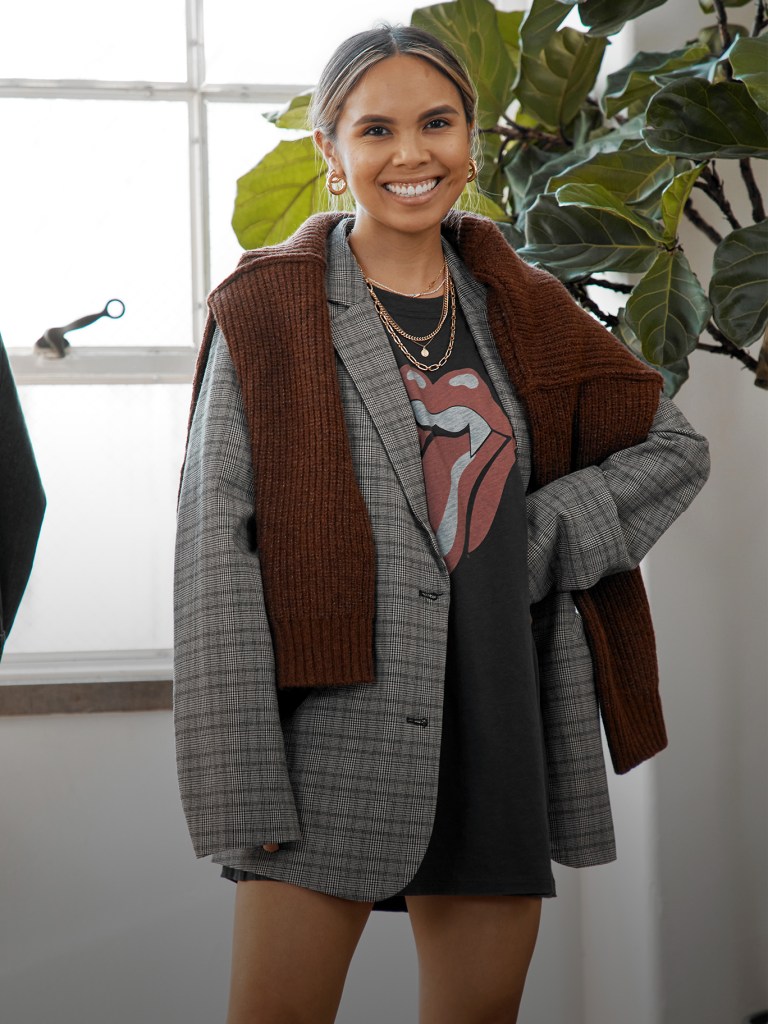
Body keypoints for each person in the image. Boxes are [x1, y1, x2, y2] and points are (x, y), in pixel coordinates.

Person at [173, 24, 710, 1024]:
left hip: (498, 715)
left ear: (472, 139)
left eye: (438, 123)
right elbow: (216, 557)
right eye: (377, 130)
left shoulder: (526, 305)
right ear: (331, 153)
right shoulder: (265, 310)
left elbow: (675, 450)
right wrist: (240, 793)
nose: (412, 154)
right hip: (327, 736)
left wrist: (528, 542)